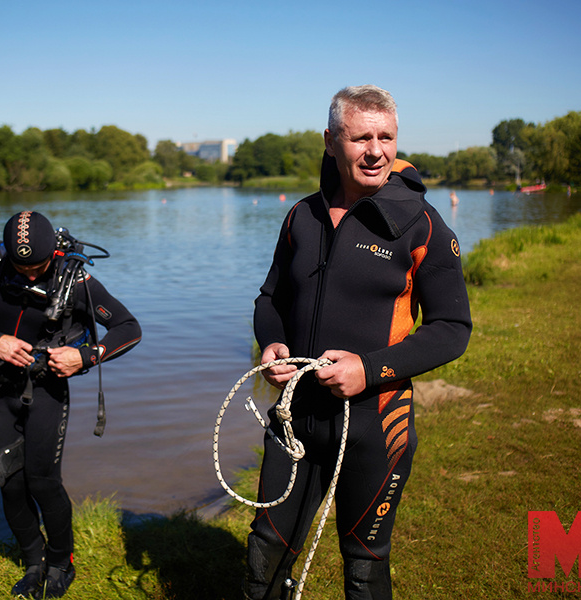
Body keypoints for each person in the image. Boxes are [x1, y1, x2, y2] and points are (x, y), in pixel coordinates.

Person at [245, 86, 472, 600]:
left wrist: (369, 370)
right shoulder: (300, 216)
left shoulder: (421, 225)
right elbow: (269, 298)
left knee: (364, 573)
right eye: (361, 137)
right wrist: (272, 343)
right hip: (294, 418)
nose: (376, 151)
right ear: (331, 141)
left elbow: (453, 329)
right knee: (264, 557)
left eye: (386, 136)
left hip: (376, 423)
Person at [0, 211, 141, 598]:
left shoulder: (73, 275)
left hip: (48, 387)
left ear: (53, 254)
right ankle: (34, 562)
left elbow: (128, 327)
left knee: (43, 481)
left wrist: (85, 357)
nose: (31, 276)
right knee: (9, 481)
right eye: (22, 267)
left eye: (39, 267)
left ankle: (60, 561)